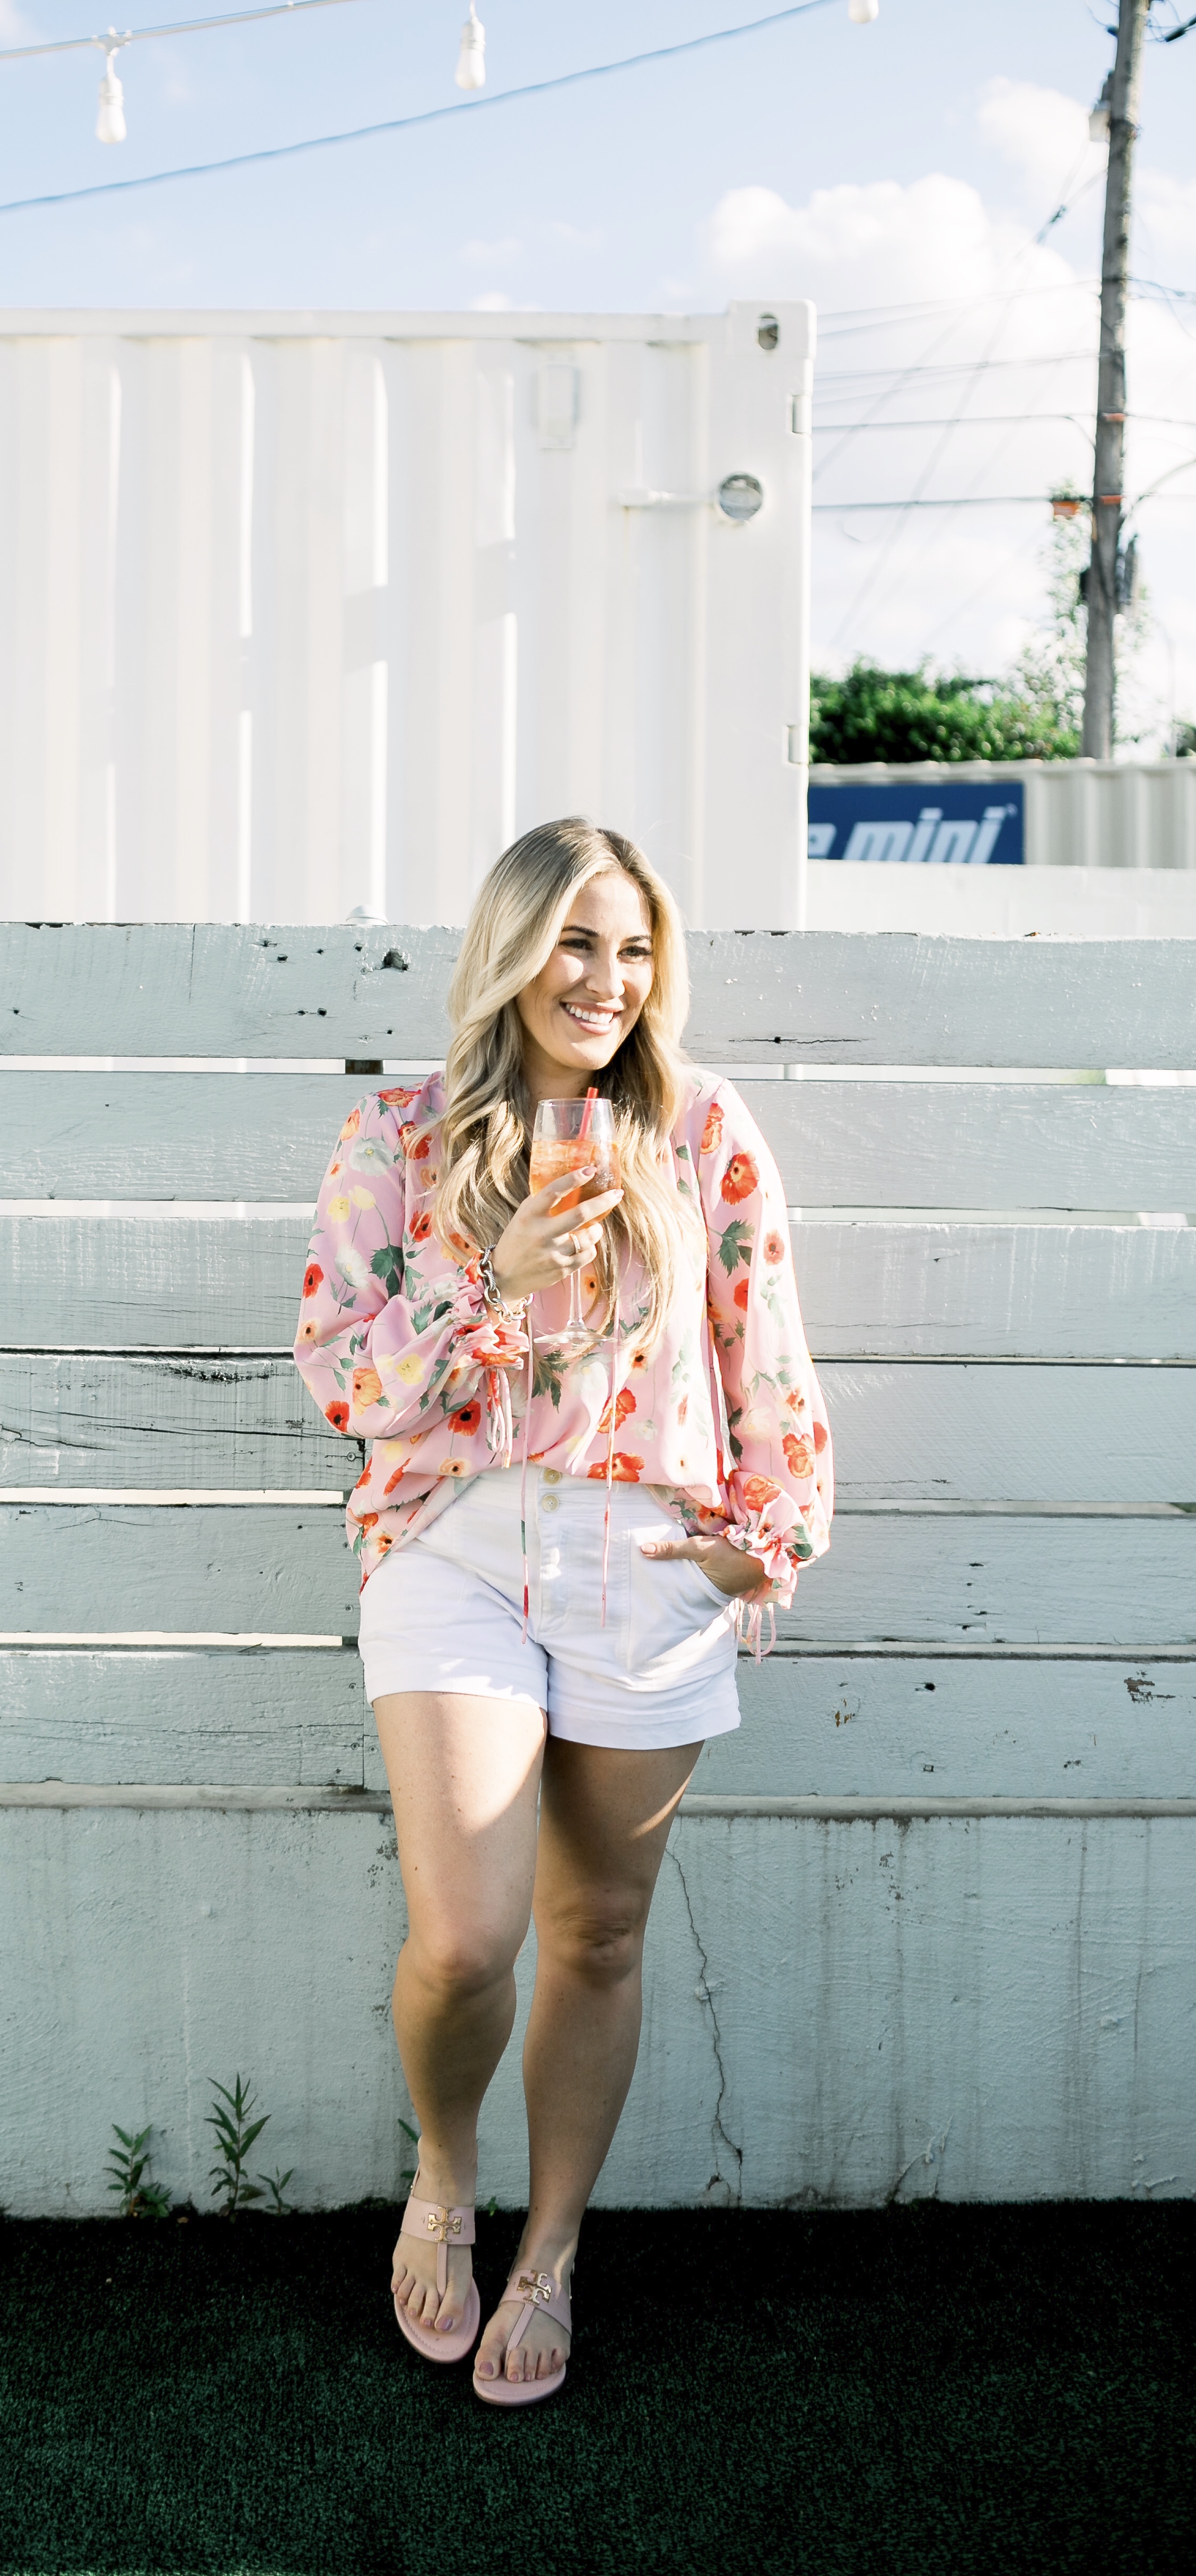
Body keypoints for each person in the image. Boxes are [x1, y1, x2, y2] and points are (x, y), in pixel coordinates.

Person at [293, 821, 832, 2407]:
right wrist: (494, 1275)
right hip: (458, 1544)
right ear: (515, 950)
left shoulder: (704, 1130)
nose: (607, 981)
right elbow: (346, 1382)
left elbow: (768, 1354)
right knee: (469, 1938)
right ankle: (446, 2180)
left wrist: (766, 1543)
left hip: (649, 1557)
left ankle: (554, 2253)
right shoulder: (399, 1137)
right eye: (577, 944)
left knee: (598, 1931)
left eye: (636, 949)